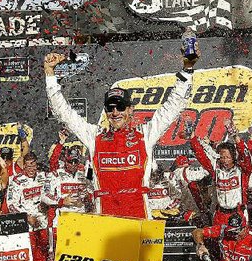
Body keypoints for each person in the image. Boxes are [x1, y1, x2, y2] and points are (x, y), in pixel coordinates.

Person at [43, 47, 197, 219]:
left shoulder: (145, 134)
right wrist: (50, 74)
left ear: (130, 110)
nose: (115, 112)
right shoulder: (95, 136)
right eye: (110, 108)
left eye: (121, 107)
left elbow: (173, 105)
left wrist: (188, 67)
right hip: (105, 222)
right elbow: (63, 112)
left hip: (139, 220)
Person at [191, 122, 252, 226]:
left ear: (234, 157)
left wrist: (236, 138)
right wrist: (193, 138)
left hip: (239, 213)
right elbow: (202, 156)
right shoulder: (216, 168)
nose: (224, 160)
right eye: (222, 157)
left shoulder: (242, 169)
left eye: (227, 157)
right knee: (219, 240)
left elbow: (246, 156)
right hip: (220, 214)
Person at [7, 152, 49, 261]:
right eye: (29, 165)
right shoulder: (16, 180)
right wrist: (27, 217)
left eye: (34, 165)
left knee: (45, 253)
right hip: (28, 224)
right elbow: (11, 204)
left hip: (44, 222)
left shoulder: (44, 177)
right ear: (24, 166)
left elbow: (51, 195)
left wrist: (47, 205)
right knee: (32, 254)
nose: (32, 168)